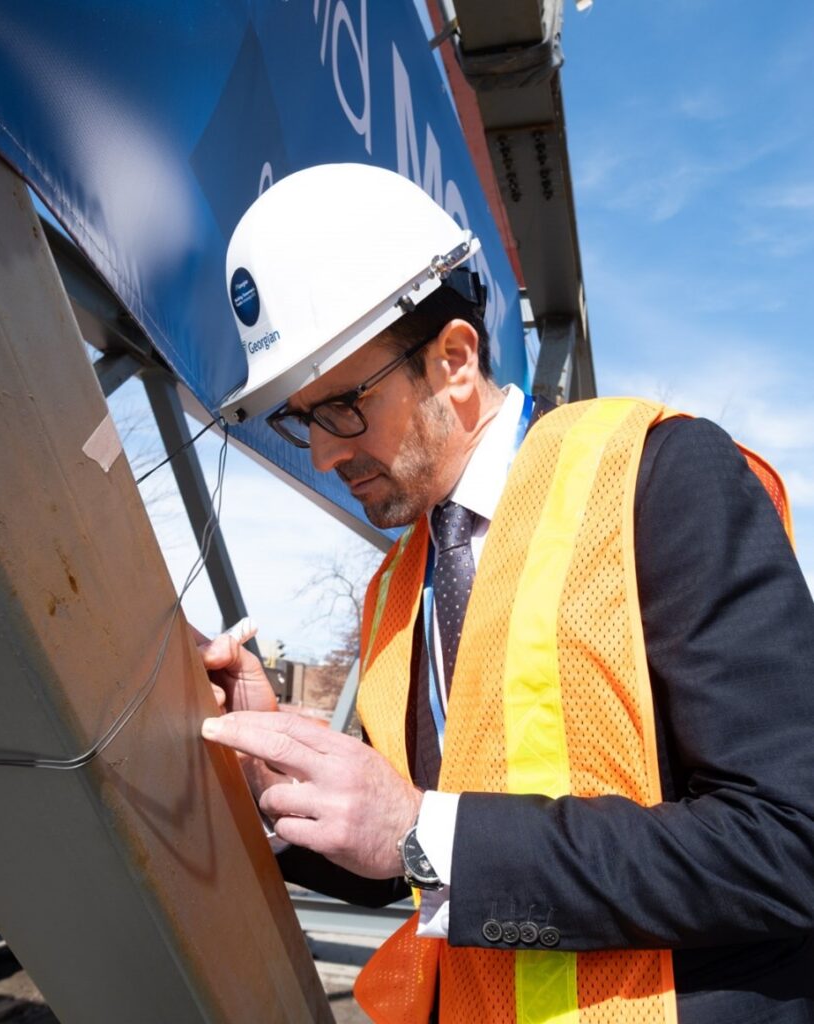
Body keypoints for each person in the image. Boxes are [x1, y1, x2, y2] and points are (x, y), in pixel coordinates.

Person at [199, 162, 814, 1023]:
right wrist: (280, 775)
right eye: (301, 420)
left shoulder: (658, 480)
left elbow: (786, 843)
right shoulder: (393, 590)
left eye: (342, 407)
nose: (325, 456)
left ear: (454, 359)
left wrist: (421, 830)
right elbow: (404, 857)